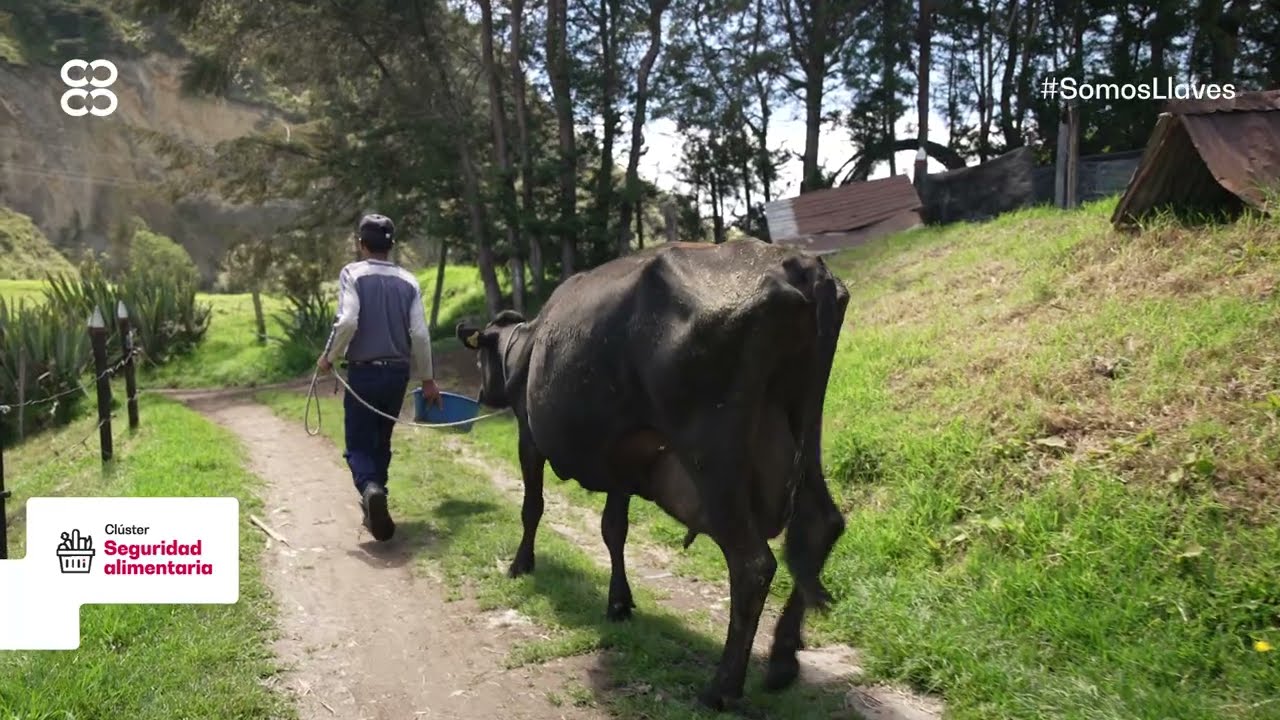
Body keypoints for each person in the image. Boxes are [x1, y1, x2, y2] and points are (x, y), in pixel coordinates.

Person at [318, 213, 442, 542]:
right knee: (382, 440)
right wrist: (427, 379)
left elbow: (347, 322)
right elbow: (419, 333)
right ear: (392, 246)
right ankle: (378, 499)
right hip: (397, 374)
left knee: (358, 443)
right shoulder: (409, 281)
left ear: (361, 244)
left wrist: (329, 357)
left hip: (364, 372)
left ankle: (370, 489)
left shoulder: (352, 274)